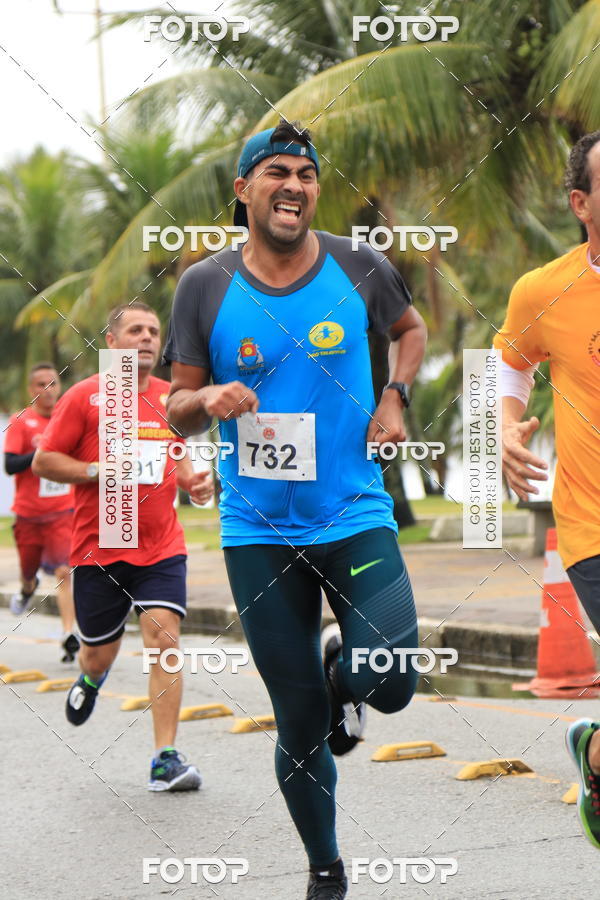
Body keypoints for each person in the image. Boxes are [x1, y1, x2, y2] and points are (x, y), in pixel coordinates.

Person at [163, 119, 427, 898]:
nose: (294, 186)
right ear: (243, 190)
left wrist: (395, 395)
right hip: (257, 534)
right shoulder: (204, 285)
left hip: (353, 511)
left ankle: (345, 674)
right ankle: (325, 870)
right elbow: (176, 405)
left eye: (307, 175)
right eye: (276, 172)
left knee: (392, 680)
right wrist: (205, 396)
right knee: (299, 722)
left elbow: (408, 334)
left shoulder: (360, 264)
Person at [33, 302, 213, 792]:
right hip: (100, 550)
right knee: (98, 656)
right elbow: (44, 461)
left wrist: (193, 482)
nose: (147, 338)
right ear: (111, 342)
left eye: (154, 331)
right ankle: (90, 679)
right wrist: (96, 470)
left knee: (165, 640)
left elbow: (174, 462)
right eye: (135, 330)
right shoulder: (85, 397)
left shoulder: (171, 398)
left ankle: (165, 758)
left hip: (160, 547)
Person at [496, 130, 600, 849]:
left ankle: (592, 751)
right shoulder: (545, 289)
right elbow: (509, 365)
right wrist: (503, 429)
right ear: (581, 202)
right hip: (595, 524)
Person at [4, 362, 79, 662]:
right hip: (29, 515)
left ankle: (68, 634)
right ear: (30, 390)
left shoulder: (67, 419)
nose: (48, 391)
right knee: (28, 573)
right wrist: (43, 455)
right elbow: (9, 465)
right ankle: (25, 590)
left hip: (63, 511)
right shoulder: (21, 421)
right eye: (41, 385)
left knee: (64, 571)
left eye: (53, 384)